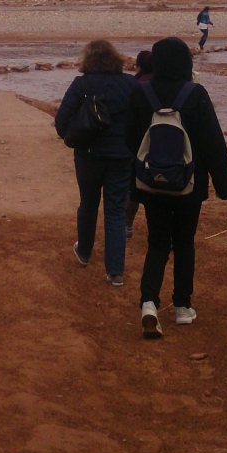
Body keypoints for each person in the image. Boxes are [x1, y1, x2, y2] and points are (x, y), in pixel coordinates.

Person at [125, 37, 227, 338]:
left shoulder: (141, 93)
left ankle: (149, 303)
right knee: (185, 243)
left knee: (157, 243)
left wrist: (148, 167)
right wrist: (223, 186)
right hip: (190, 184)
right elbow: (213, 142)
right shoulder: (196, 94)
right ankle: (183, 307)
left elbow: (129, 138)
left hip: (151, 184)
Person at [55, 39, 137, 285]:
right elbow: (141, 120)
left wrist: (73, 137)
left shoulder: (82, 84)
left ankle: (84, 252)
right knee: (116, 212)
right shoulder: (130, 84)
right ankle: (115, 272)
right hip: (121, 157)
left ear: (88, 59)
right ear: (115, 58)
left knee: (88, 204)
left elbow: (61, 121)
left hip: (88, 155)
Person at [125, 50, 154, 239]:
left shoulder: (135, 85)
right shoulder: (161, 84)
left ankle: (127, 226)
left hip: (137, 145)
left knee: (133, 188)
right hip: (160, 143)